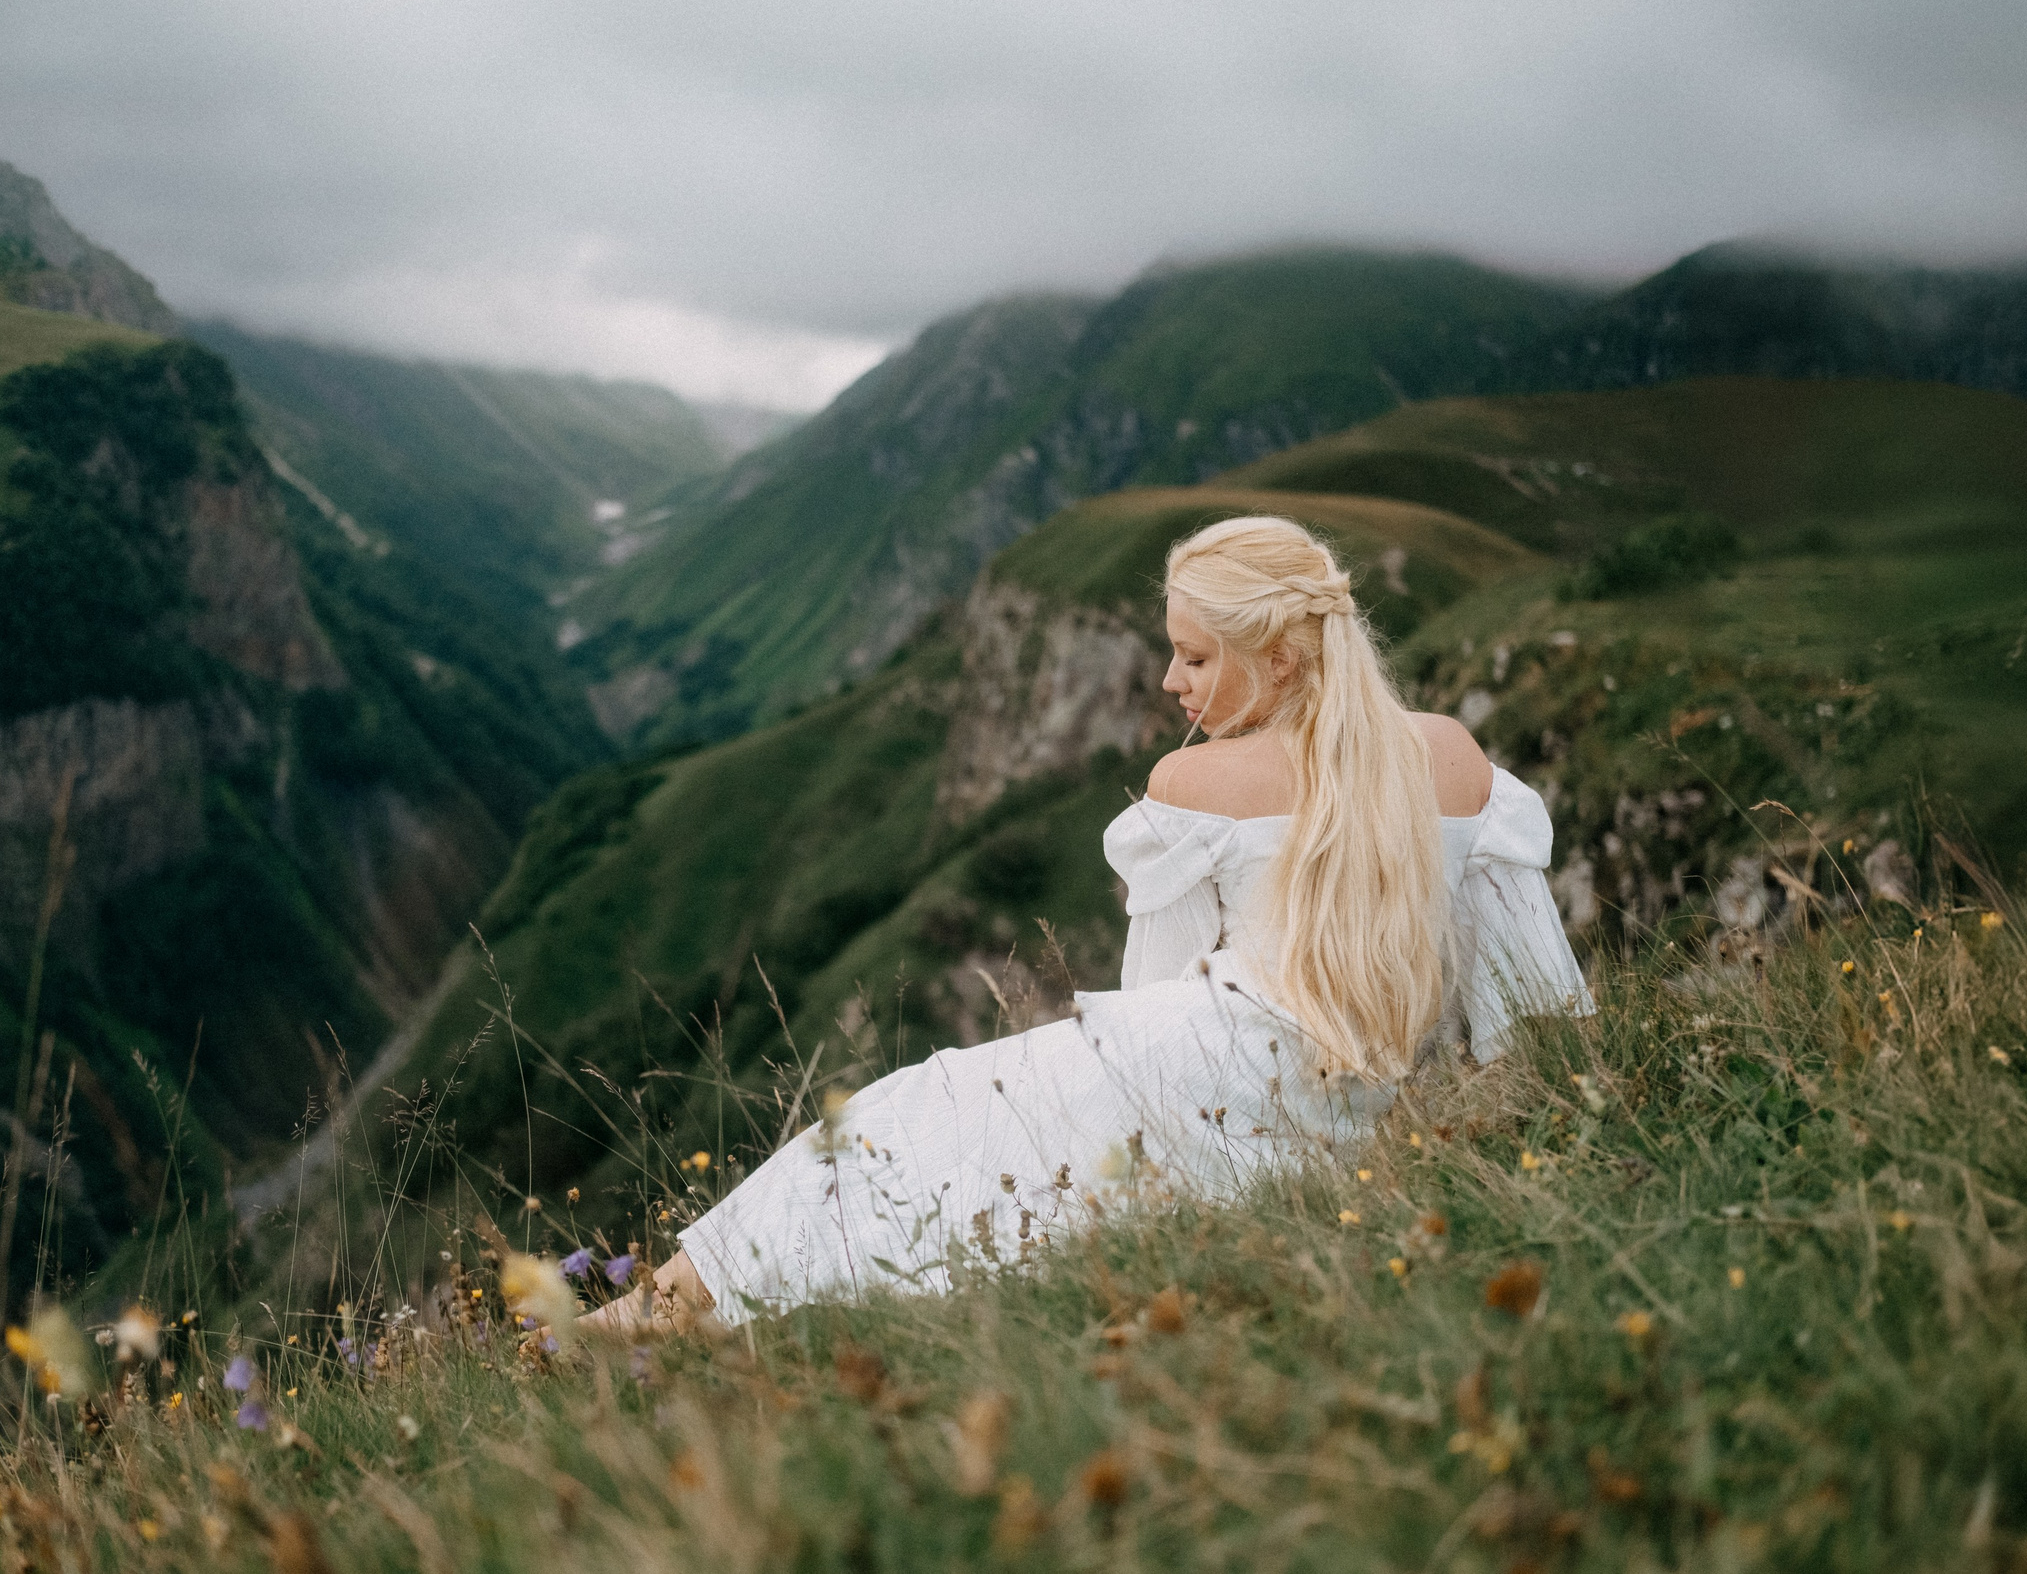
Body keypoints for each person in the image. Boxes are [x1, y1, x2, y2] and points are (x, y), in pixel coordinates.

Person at [586, 516, 1588, 1332]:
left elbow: (1149, 1002)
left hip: (1209, 1072)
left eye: (1193, 657)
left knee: (899, 1118)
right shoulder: (1453, 756)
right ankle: (664, 1315)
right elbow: (1524, 981)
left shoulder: (1193, 783)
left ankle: (656, 1316)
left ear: (1279, 658)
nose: (1169, 682)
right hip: (1362, 1103)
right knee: (918, 1127)